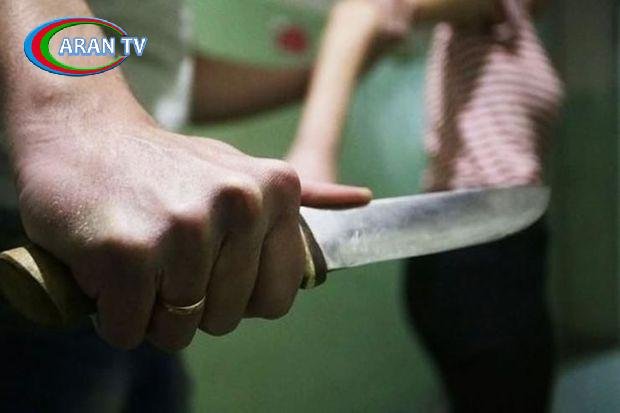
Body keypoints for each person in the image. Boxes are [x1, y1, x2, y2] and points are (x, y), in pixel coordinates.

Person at [0, 1, 371, 411]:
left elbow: (162, 74)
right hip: (45, 238)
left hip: (149, 249)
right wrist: (70, 112)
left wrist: (328, 75)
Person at [287, 0, 563, 412]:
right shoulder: (495, 9)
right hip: (474, 250)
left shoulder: (520, 29)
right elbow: (365, 9)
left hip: (508, 243)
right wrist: (314, 155)